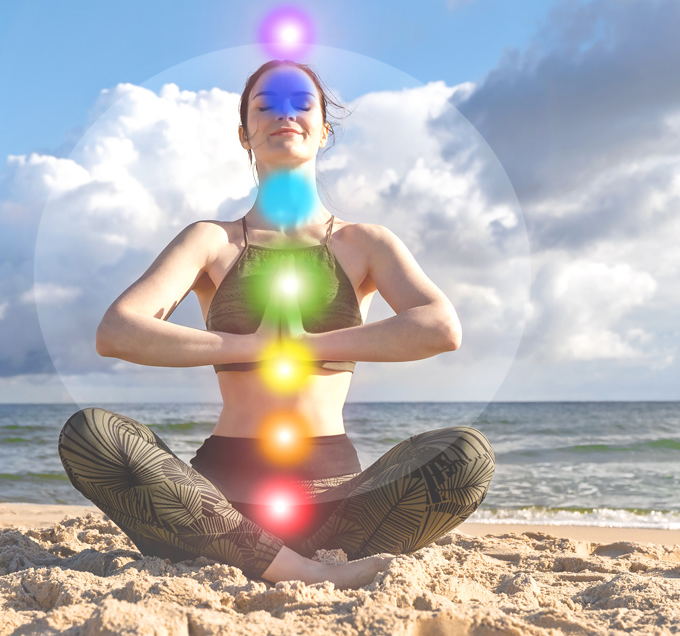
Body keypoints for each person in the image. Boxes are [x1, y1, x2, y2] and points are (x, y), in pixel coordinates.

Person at [58, 60, 495, 590]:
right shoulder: (211, 241)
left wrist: (308, 346)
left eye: (300, 104)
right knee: (88, 434)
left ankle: (283, 562)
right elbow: (118, 331)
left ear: (323, 130)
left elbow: (439, 327)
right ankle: (302, 570)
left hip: (336, 506)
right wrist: (250, 344)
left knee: (467, 454)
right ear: (245, 134)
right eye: (264, 106)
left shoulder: (364, 243)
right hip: (217, 508)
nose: (283, 115)